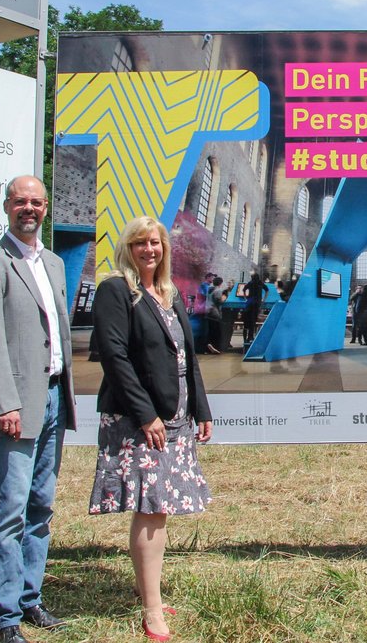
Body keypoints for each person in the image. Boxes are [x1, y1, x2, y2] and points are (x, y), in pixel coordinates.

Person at [89, 216, 214, 642]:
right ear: (128, 248)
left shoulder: (168, 291)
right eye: (140, 243)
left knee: (159, 509)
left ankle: (151, 592)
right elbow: (114, 356)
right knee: (152, 506)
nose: (149, 250)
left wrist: (201, 408)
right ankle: (152, 609)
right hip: (138, 419)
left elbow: (188, 356)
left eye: (155, 242)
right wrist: (146, 415)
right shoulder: (116, 290)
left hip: (175, 417)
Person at [0, 176, 77, 643]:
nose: (28, 209)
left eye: (36, 202)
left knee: (41, 504)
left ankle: (31, 599)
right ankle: (5, 616)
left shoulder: (51, 263)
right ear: (7, 206)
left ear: (46, 208)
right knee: (9, 510)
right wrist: (3, 402)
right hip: (15, 404)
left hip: (52, 396)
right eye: (20, 202)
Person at [203, 276, 226, 354]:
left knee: (209, 331)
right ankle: (215, 347)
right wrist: (224, 297)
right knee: (216, 331)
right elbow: (219, 301)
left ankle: (207, 348)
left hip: (207, 312)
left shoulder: (209, 289)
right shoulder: (218, 290)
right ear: (220, 283)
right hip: (214, 313)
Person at [242, 272, 265, 347]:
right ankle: (250, 337)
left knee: (247, 322)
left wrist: (246, 298)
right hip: (256, 304)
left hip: (249, 303)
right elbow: (267, 290)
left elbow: (244, 289)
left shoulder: (250, 283)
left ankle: (246, 339)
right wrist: (264, 299)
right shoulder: (260, 283)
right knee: (253, 321)